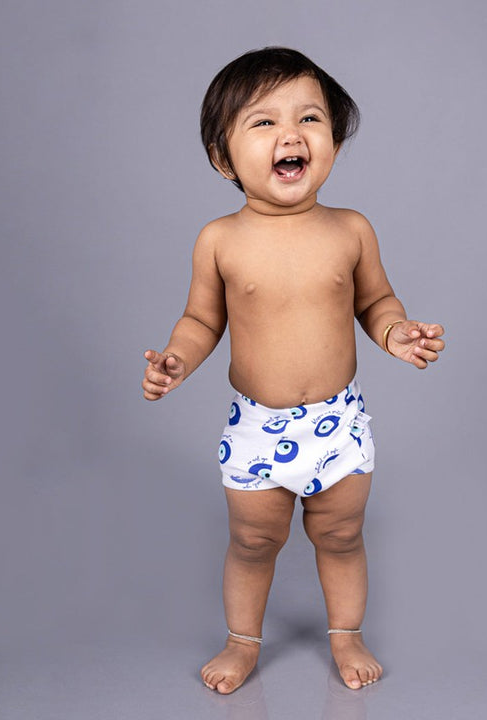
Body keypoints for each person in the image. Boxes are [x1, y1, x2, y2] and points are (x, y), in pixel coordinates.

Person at [141, 47, 445, 694]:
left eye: (310, 118)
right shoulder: (219, 240)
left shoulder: (351, 230)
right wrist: (176, 360)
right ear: (223, 159)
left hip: (338, 420)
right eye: (264, 122)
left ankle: (347, 633)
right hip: (258, 426)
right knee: (253, 541)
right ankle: (242, 641)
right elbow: (201, 321)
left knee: (342, 534)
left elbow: (375, 301)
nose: (291, 134)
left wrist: (395, 332)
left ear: (333, 141)